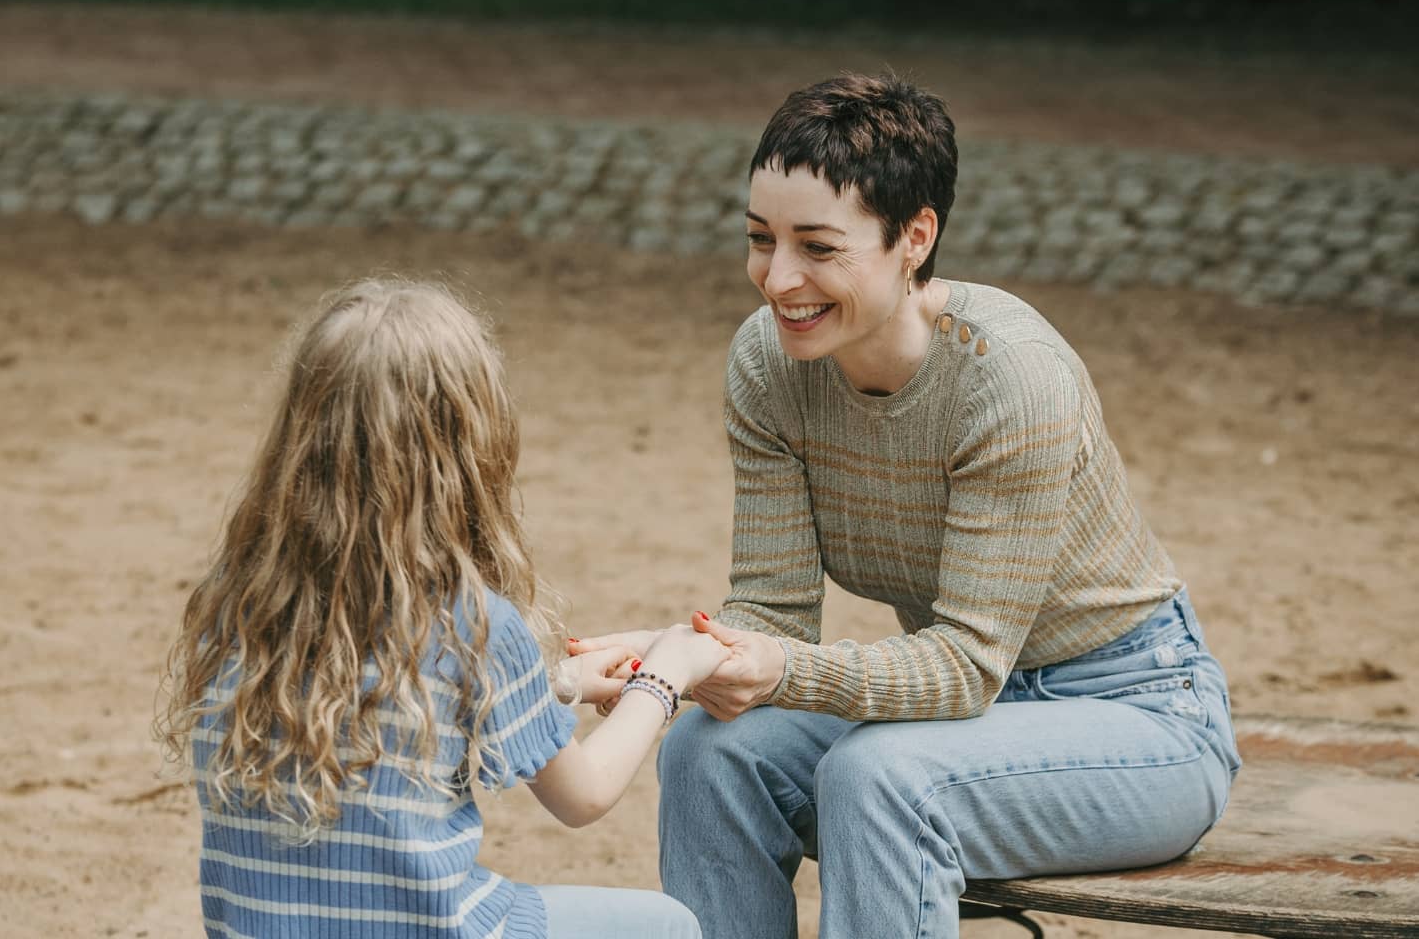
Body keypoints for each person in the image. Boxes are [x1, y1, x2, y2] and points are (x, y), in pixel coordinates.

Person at [571, 73, 1242, 939]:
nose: (778, 280)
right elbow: (772, 614)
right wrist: (686, 657)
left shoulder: (1010, 375)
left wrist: (765, 668)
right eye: (759, 239)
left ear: (914, 236)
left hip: (1139, 720)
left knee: (882, 775)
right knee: (709, 751)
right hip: (959, 722)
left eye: (817, 246)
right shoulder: (768, 364)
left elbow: (964, 664)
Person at [156, 279, 725, 939]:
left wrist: (556, 690)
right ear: (467, 444)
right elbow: (586, 794)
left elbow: (375, 710)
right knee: (666, 926)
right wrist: (666, 674)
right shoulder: (472, 624)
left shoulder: (239, 599)